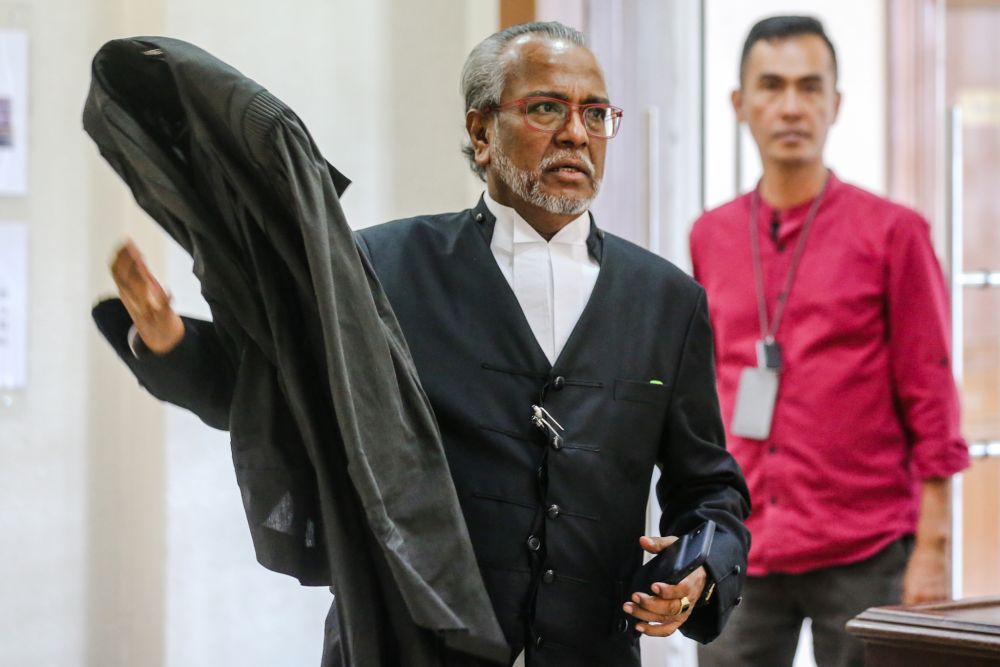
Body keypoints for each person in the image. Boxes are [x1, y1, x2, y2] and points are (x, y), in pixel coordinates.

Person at [99, 22, 750, 666]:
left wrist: (701, 567)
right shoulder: (379, 267)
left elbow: (711, 490)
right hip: (407, 646)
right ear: (480, 132)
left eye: (596, 113)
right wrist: (169, 339)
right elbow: (273, 389)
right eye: (547, 108)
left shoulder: (667, 300)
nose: (577, 134)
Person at [690, 15, 969, 667]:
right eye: (772, 86)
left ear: (835, 103)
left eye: (811, 87)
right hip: (744, 542)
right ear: (741, 103)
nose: (792, 106)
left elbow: (930, 390)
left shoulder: (894, 232)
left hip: (866, 546)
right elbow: (704, 392)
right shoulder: (710, 235)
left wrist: (933, 549)